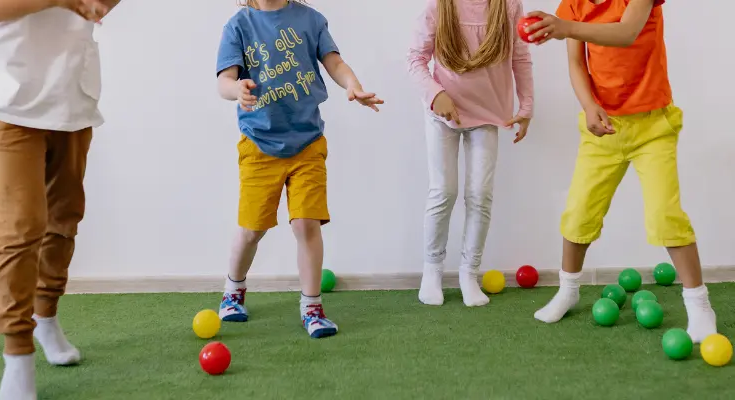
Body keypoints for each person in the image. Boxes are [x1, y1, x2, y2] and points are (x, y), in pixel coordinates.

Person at [524, 0, 718, 342]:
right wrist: (588, 106)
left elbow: (626, 33)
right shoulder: (574, 4)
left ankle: (699, 303)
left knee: (665, 215)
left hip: (653, 126)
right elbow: (576, 63)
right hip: (604, 127)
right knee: (579, 211)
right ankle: (568, 289)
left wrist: (564, 26)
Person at [0, 0, 119, 398]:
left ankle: (46, 316)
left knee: (64, 220)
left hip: (72, 96)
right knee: (21, 227)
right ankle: (17, 354)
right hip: (12, 102)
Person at [215, 0, 383, 338]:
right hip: (259, 145)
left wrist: (351, 83)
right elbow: (224, 81)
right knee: (251, 229)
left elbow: (334, 62)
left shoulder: (310, 19)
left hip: (307, 143)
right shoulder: (238, 26)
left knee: (306, 224)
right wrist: (237, 89)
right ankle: (233, 290)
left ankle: (312, 307)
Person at [407, 0, 534, 306]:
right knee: (443, 192)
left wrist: (526, 106)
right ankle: (432, 272)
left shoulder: (508, 7)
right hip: (442, 115)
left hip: (488, 114)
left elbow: (521, 58)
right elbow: (415, 58)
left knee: (480, 194)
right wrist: (436, 94)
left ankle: (468, 273)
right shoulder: (440, 6)